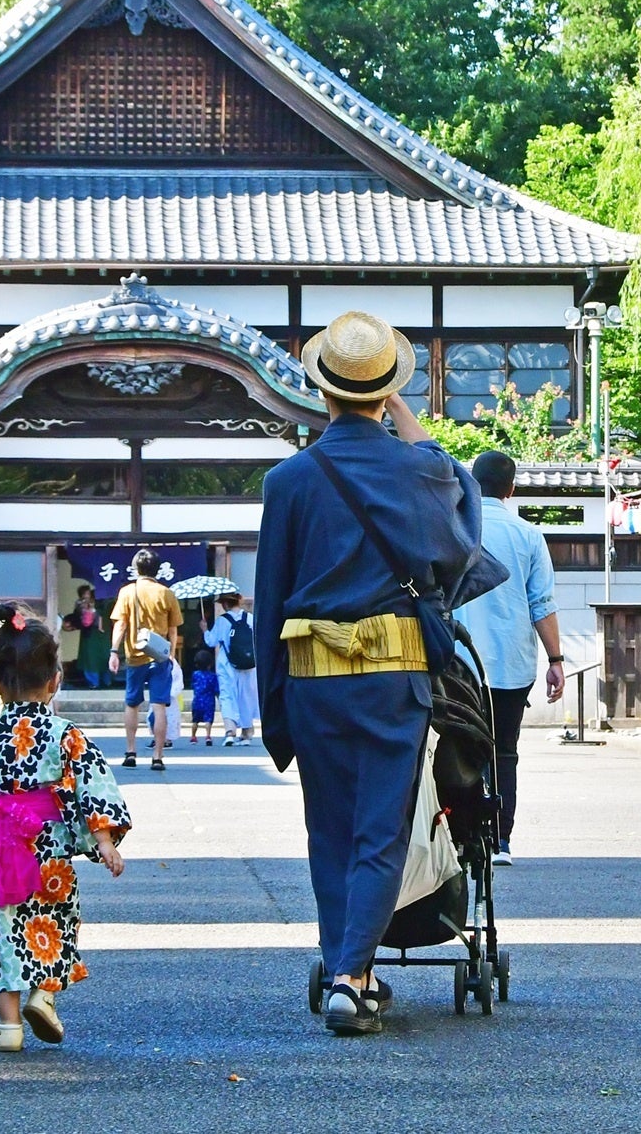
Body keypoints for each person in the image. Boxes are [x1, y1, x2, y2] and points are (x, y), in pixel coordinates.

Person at [255, 310, 496, 1036]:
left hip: (311, 672)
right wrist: (403, 415)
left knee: (328, 825)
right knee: (382, 826)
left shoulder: (288, 480)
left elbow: (269, 599)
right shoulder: (417, 470)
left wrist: (275, 709)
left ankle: (345, 966)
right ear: (387, 391)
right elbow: (462, 502)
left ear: (321, 392)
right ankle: (351, 976)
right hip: (393, 673)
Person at [0, 608, 129, 1052]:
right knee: (53, 920)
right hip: (50, 848)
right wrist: (102, 840)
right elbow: (91, 783)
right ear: (55, 681)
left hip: (1, 847)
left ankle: (8, 1027)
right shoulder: (65, 734)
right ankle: (44, 995)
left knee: (0, 924)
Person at [453, 450, 565, 866]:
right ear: (511, 489)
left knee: (454, 747)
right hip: (510, 664)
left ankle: (459, 835)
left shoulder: (456, 529)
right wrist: (556, 659)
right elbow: (542, 604)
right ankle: (500, 840)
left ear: (471, 484)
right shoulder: (528, 535)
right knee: (504, 752)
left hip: (457, 664)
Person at [108, 549, 181, 772]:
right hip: (159, 657)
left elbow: (120, 624)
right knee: (159, 705)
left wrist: (114, 651)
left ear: (135, 568)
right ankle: (158, 756)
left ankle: (131, 751)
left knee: (132, 704)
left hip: (135, 656)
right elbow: (173, 630)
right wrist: (171, 655)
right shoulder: (166, 593)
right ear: (158, 569)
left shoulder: (127, 592)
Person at [208, 591, 259, 746]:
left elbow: (211, 641)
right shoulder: (250, 618)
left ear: (225, 603)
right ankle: (246, 733)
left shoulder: (222, 621)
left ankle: (230, 731)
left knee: (228, 695)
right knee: (246, 697)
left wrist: (204, 629)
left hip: (227, 664)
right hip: (249, 663)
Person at [61, 584, 112, 688]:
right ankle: (101, 682)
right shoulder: (85, 604)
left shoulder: (94, 603)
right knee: (98, 660)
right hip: (97, 636)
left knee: (96, 661)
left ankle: (99, 682)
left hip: (96, 636)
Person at [188, 647, 219, 745]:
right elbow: (216, 689)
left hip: (197, 700)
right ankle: (208, 736)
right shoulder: (213, 676)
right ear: (210, 664)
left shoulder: (195, 674)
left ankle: (193, 736)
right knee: (208, 720)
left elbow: (193, 685)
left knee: (195, 720)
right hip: (209, 701)